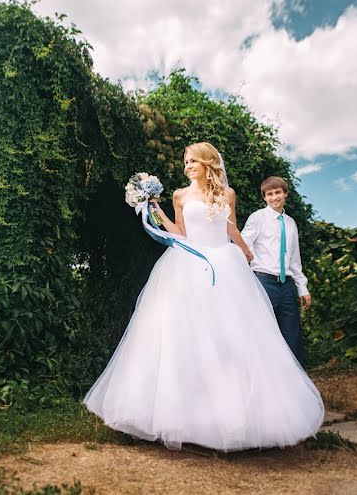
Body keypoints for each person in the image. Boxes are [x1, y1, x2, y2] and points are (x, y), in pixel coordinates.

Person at [83, 142, 324, 452]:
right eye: (186, 161)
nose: (188, 166)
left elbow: (230, 228)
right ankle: (182, 416)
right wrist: (152, 210)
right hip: (188, 265)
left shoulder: (228, 194)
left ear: (209, 162)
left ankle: (231, 416)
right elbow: (180, 233)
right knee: (184, 340)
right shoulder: (179, 196)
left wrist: (245, 250)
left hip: (225, 265)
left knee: (230, 340)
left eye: (193, 160)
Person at [241, 177, 310, 365]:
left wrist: (302, 288)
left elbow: (294, 258)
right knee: (262, 332)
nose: (274, 197)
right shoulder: (258, 218)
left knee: (292, 334)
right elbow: (243, 245)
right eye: (269, 194)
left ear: (285, 194)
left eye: (278, 192)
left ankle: (295, 380)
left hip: (286, 285)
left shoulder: (290, 223)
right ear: (264, 197)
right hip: (264, 282)